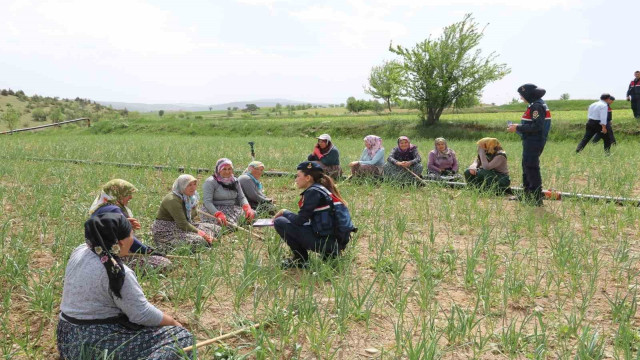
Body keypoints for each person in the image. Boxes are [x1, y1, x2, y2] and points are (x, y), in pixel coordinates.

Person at [57, 213, 192, 360]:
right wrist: (174, 323)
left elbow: (98, 236)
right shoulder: (118, 273)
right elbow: (142, 314)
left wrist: (115, 227)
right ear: (120, 242)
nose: (133, 239)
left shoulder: (81, 251)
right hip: (97, 343)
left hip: (68, 339)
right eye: (131, 235)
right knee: (181, 338)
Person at [273, 161, 355, 269]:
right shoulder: (321, 188)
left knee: (280, 221)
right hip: (335, 241)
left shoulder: (313, 192)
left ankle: (300, 259)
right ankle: (328, 254)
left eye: (298, 176)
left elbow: (300, 220)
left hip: (328, 243)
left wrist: (284, 212)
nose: (296, 179)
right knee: (289, 221)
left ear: (308, 178)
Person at [88, 179, 171, 270]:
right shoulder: (113, 210)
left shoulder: (102, 207)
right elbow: (126, 238)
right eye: (127, 194)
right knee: (164, 263)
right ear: (118, 194)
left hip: (98, 250)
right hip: (113, 255)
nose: (131, 197)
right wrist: (148, 251)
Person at [507, 83, 552, 206]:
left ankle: (536, 198)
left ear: (528, 94)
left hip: (534, 141)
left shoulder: (536, 106)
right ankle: (527, 194)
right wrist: (517, 128)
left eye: (522, 95)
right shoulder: (535, 104)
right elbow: (532, 124)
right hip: (531, 140)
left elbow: (537, 126)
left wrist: (518, 127)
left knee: (532, 168)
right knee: (526, 166)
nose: (521, 98)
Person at [151, 174, 219, 253]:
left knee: (216, 228)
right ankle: (166, 246)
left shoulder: (190, 198)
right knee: (199, 240)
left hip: (184, 225)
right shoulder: (173, 200)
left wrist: (193, 207)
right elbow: (183, 224)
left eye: (194, 184)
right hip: (167, 229)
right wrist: (202, 234)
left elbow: (192, 216)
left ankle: (207, 240)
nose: (193, 187)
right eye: (189, 185)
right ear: (182, 186)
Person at [201, 158, 255, 226]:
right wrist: (217, 213)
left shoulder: (234, 181)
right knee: (228, 223)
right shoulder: (210, 182)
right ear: (219, 170)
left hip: (231, 208)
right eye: (224, 169)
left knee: (252, 215)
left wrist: (247, 208)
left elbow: (241, 197)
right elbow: (207, 202)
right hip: (215, 209)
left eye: (229, 169)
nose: (227, 172)